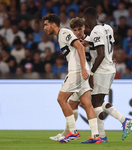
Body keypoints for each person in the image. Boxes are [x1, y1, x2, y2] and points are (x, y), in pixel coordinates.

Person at [42, 14, 101, 143]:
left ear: (53, 25)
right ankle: (96, 136)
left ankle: (73, 132)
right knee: (87, 104)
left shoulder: (63, 32)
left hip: (77, 71)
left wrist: (83, 69)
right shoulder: (61, 36)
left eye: (46, 25)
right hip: (80, 70)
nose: (44, 28)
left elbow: (80, 47)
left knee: (61, 99)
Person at [83, 7, 132, 141]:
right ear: (98, 15)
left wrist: (92, 73)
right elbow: (105, 46)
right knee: (99, 101)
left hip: (102, 70)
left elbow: (101, 54)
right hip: (110, 68)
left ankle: (103, 135)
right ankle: (119, 124)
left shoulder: (95, 31)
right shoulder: (108, 28)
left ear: (87, 19)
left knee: (95, 103)